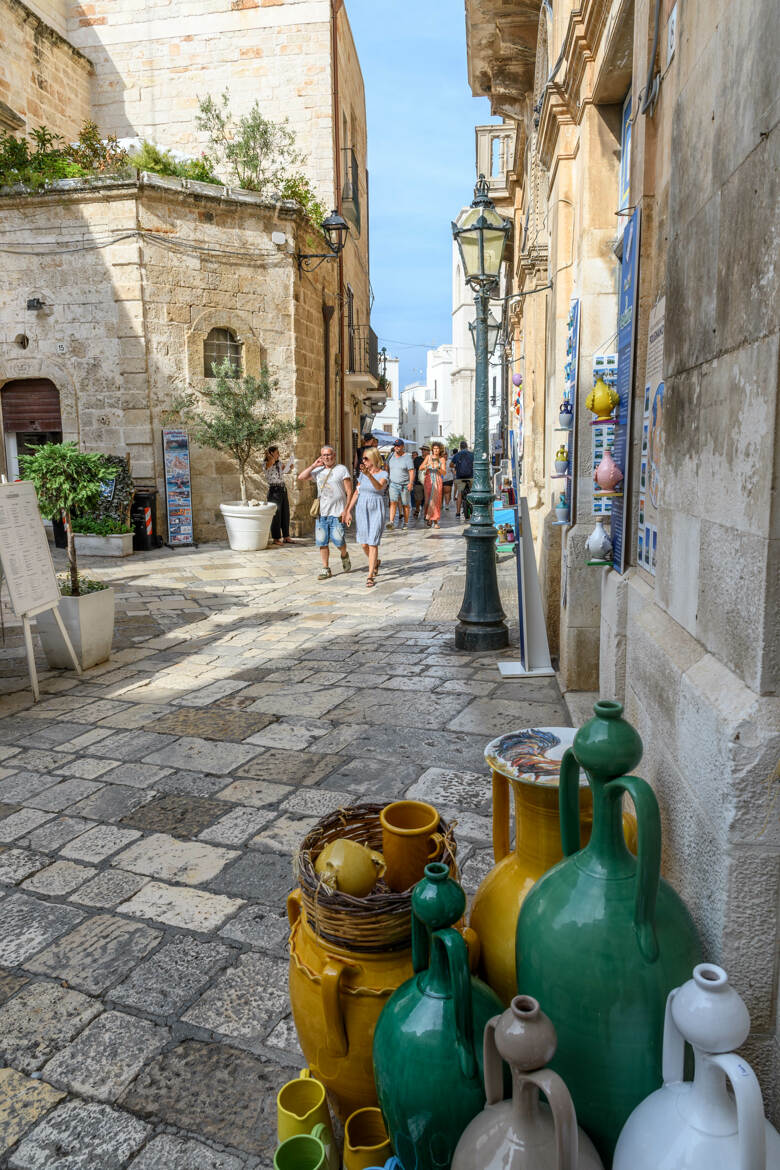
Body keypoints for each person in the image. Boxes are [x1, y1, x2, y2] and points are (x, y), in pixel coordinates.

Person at [297, 446, 352, 581]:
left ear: (334, 455)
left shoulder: (342, 470)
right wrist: (313, 465)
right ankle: (326, 568)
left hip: (337, 512)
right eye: (323, 455)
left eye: (328, 455)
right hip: (322, 513)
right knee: (322, 542)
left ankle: (344, 554)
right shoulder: (318, 471)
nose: (326, 457)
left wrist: (347, 510)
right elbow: (301, 477)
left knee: (338, 541)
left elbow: (349, 491)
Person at [345, 447, 388, 587]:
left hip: (376, 507)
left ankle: (370, 575)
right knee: (364, 543)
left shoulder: (383, 474)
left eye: (365, 458)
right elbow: (357, 492)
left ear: (374, 459)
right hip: (362, 508)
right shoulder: (362, 475)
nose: (363, 461)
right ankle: (375, 562)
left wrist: (369, 476)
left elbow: (379, 487)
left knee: (372, 542)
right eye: (362, 458)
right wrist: (348, 510)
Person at [264, 445, 294, 545]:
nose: (279, 455)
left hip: (282, 489)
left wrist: (290, 466)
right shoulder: (266, 463)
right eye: (277, 453)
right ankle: (276, 538)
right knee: (276, 514)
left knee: (285, 513)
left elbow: (286, 470)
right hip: (274, 490)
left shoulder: (279, 463)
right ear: (272, 453)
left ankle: (286, 536)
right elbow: (270, 463)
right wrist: (269, 455)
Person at [386, 438, 415, 530]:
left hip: (404, 485)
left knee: (405, 504)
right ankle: (391, 522)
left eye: (398, 446)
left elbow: (411, 471)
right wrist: (387, 477)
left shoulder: (407, 457)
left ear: (402, 446)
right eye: (395, 446)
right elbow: (386, 466)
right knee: (393, 502)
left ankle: (406, 523)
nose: (396, 447)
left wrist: (411, 483)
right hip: (393, 483)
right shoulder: (391, 455)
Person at [420, 440, 447, 529]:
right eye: (434, 448)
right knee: (428, 500)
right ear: (432, 449)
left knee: (436, 501)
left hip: (438, 480)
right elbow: (420, 468)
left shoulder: (442, 459)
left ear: (440, 450)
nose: (435, 450)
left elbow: (444, 473)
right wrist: (428, 465)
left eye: (437, 449)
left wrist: (438, 467)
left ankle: (435, 521)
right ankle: (428, 518)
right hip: (428, 479)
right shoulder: (428, 457)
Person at [452, 440, 474, 519]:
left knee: (459, 494)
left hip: (460, 477)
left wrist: (456, 466)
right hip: (470, 477)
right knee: (473, 492)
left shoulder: (457, 455)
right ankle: (474, 510)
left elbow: (451, 465)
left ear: (460, 447)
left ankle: (458, 513)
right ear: (467, 446)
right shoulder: (472, 454)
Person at [412, 445, 428, 520]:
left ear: (428, 451)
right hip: (418, 482)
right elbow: (414, 470)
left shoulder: (431, 459)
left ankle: (425, 514)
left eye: (425, 450)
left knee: (427, 499)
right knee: (418, 499)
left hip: (428, 482)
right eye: (422, 450)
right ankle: (417, 509)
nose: (423, 451)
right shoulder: (417, 459)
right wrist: (411, 481)